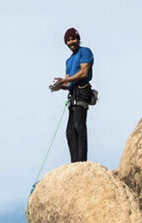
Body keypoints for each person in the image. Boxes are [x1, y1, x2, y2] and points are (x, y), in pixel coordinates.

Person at [49, 27, 94, 162]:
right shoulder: (69, 61)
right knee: (70, 131)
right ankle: (75, 162)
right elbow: (69, 83)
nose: (71, 42)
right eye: (68, 40)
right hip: (73, 94)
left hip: (82, 91)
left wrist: (65, 80)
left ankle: (82, 162)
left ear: (78, 39)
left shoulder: (85, 52)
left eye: (73, 39)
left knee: (79, 125)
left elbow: (84, 72)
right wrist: (60, 86)